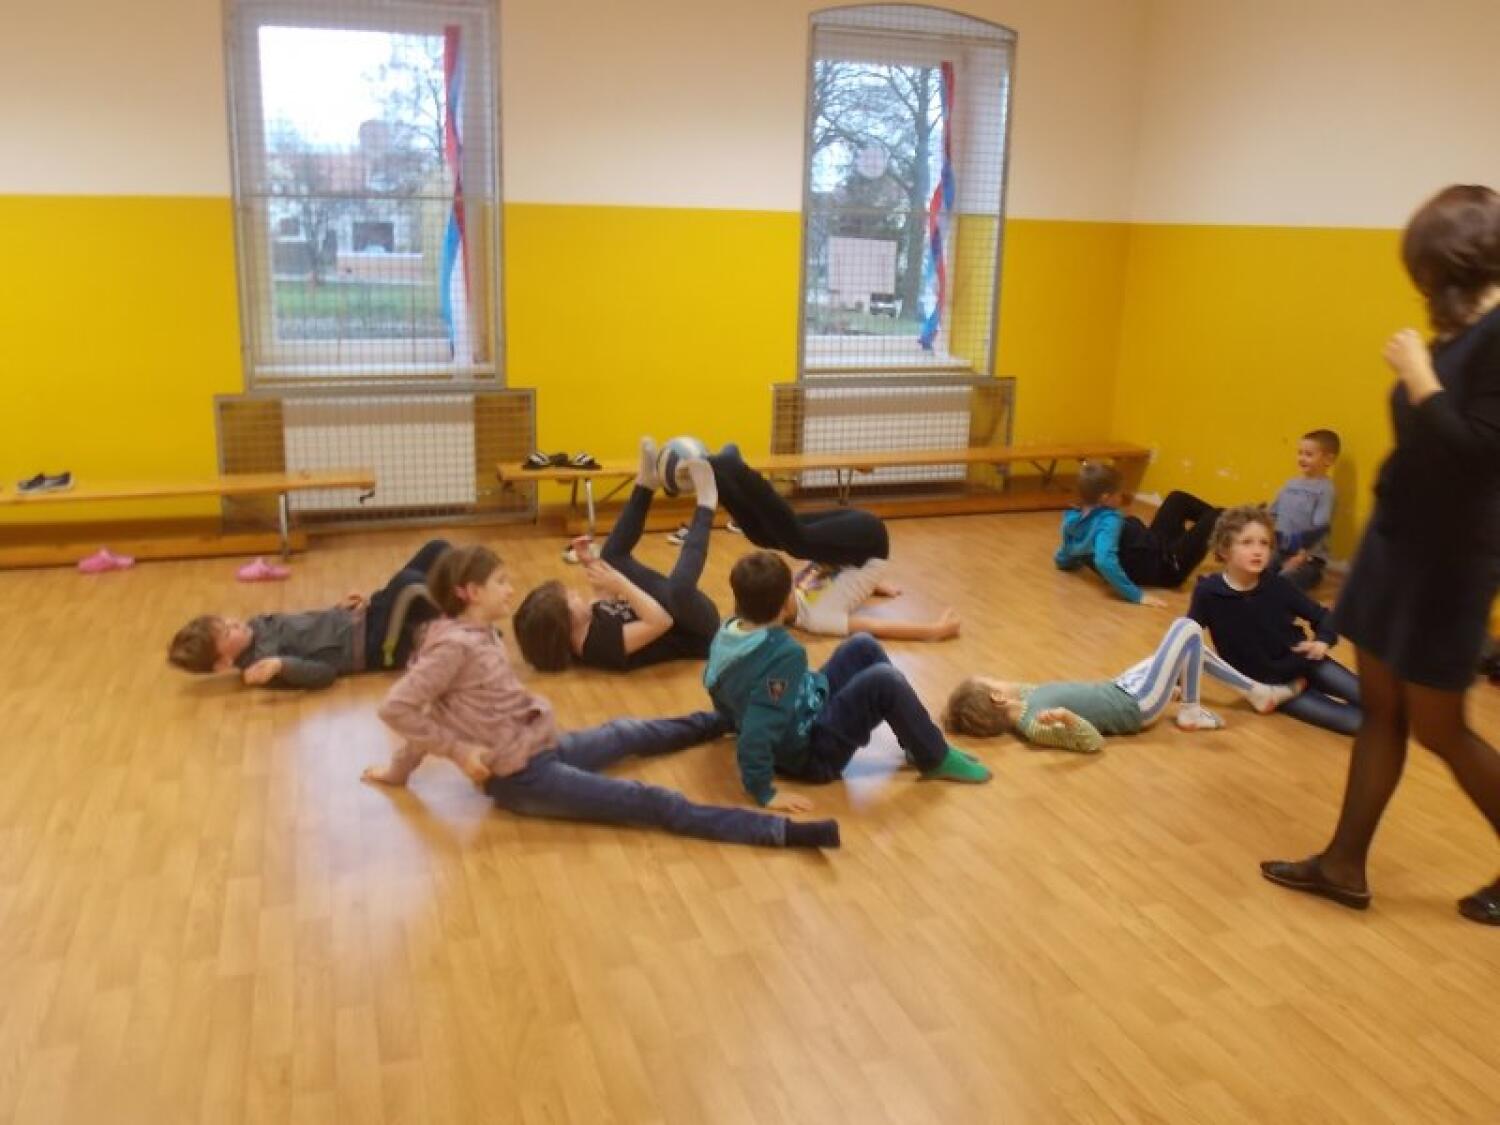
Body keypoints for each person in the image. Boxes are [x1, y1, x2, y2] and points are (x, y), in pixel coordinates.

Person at [1262, 185, 1500, 925]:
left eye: (1423, 268)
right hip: (1396, 550)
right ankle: (1343, 863)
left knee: (1439, 728)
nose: (1420, 284)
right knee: (1382, 713)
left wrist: (1420, 379)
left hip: (1448, 565)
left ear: (1450, 262)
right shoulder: (1461, 329)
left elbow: (1480, 454)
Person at [366, 544, 839, 850]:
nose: (510, 589)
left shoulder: (478, 632)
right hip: (522, 777)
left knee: (627, 732)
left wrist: (399, 770)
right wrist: (458, 751)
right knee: (651, 801)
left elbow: (433, 705)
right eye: (500, 583)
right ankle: (779, 832)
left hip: (542, 746)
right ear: (470, 592)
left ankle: (725, 720)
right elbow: (399, 707)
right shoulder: (452, 647)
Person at [704, 550, 991, 811]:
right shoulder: (782, 656)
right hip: (811, 757)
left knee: (862, 645)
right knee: (885, 681)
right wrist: (763, 791)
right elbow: (757, 730)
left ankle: (918, 744)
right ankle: (935, 758)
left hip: (806, 710)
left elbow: (717, 687)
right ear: (785, 605)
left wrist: (736, 718)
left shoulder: (727, 633)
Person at [706, 442, 960, 641]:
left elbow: (831, 568)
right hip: (869, 543)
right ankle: (736, 468)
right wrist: (934, 630)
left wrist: (868, 583)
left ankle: (720, 479)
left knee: (763, 536)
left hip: (851, 549)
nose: (789, 586)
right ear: (781, 609)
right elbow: (877, 627)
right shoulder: (818, 620)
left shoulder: (788, 593)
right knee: (796, 542)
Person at [941, 617, 1300, 753]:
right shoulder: (1035, 724)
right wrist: (1068, 719)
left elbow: (1009, 692)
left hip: (1122, 686)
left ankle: (1256, 693)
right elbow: (1092, 742)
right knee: (1187, 627)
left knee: (1189, 648)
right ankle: (1192, 710)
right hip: (1137, 705)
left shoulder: (1026, 696)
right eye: (992, 679)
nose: (999, 677)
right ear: (997, 696)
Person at [512, 439, 720, 672]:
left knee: (611, 557)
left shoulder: (585, 621)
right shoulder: (598, 647)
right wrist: (620, 582)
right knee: (679, 589)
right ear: (566, 623)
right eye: (570, 597)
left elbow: (607, 600)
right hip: (697, 629)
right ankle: (706, 505)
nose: (576, 593)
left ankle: (645, 485)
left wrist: (591, 562)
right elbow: (661, 621)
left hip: (670, 607)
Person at [166, 539, 448, 689]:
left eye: (227, 621)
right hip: (374, 647)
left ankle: (468, 585)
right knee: (410, 583)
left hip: (365, 619)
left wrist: (339, 609)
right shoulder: (264, 666)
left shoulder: (256, 626)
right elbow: (325, 674)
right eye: (228, 632)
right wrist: (282, 666)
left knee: (435, 549)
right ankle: (464, 617)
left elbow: (309, 627)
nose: (235, 623)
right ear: (223, 663)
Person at [1189, 505, 1361, 735]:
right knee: (1357, 723)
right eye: (1247, 542)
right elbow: (1187, 640)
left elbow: (1323, 617)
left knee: (1376, 701)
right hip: (1272, 686)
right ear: (1223, 549)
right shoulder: (1208, 593)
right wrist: (1178, 684)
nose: (1258, 551)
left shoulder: (1278, 585)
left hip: (1307, 662)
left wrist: (1322, 641)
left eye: (1264, 543)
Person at [1054, 462, 1221, 606]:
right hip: (1168, 566)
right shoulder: (1108, 521)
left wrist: (1064, 562)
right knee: (1218, 515)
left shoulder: (1073, 517)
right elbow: (1104, 560)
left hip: (1154, 547)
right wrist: (1137, 595)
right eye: (1119, 493)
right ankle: (1236, 538)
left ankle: (1228, 541)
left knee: (1177, 498)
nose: (1122, 496)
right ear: (1105, 498)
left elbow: (1067, 550)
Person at [1268, 429, 1341, 591]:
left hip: (1308, 558)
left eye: (1308, 454)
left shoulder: (1325, 490)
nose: (1301, 458)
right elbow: (1271, 514)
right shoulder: (1290, 484)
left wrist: (1302, 555)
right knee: (1254, 571)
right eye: (1300, 453)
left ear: (1328, 460)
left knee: (1284, 583)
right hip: (1282, 550)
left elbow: (1319, 529)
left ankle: (1313, 576)